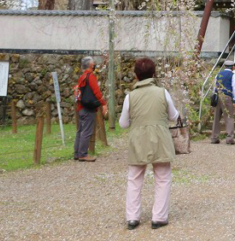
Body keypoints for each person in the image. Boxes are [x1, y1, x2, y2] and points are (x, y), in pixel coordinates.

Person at [119, 57, 178, 230]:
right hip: (160, 137)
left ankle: (132, 217)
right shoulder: (162, 92)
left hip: (138, 139)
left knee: (134, 178)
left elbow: (123, 123)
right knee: (162, 177)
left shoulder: (130, 97)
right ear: (153, 74)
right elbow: (174, 116)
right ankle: (158, 217)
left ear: (136, 76)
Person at [72, 56, 108, 162]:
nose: (94, 64)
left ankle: (77, 153)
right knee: (86, 131)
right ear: (91, 65)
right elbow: (96, 92)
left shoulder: (82, 77)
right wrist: (103, 104)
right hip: (88, 108)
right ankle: (83, 154)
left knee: (80, 131)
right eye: (93, 63)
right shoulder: (90, 76)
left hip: (81, 107)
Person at [211, 59, 235, 145]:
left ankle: (214, 137)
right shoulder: (233, 75)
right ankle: (229, 138)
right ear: (233, 67)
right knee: (229, 117)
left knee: (216, 117)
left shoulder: (218, 74)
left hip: (217, 95)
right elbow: (234, 88)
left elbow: (214, 86)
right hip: (227, 97)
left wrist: (214, 96)